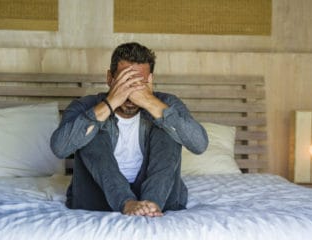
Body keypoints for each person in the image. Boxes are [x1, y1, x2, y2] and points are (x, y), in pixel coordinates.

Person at [50, 42, 208, 217]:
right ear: (110, 78)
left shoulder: (166, 103)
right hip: (98, 199)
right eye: (125, 82)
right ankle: (127, 203)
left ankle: (150, 204)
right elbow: (59, 148)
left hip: (164, 199)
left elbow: (199, 144)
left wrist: (149, 102)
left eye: (138, 83)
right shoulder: (84, 106)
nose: (131, 93)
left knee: (166, 127)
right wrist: (110, 103)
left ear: (150, 81)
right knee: (92, 126)